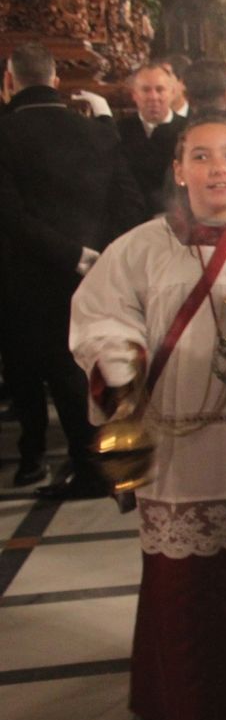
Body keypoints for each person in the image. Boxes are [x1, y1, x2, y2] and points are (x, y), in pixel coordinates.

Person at [69, 112, 226, 720]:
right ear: (178, 170)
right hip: (182, 444)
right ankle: (190, 716)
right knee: (185, 588)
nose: (217, 170)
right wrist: (119, 356)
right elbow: (99, 316)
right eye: (200, 157)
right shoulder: (140, 248)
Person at [0, 42, 142, 494]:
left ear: (9, 82)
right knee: (91, 366)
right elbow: (126, 198)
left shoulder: (4, 134)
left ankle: (38, 458)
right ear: (56, 80)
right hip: (97, 271)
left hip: (26, 275)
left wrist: (70, 254)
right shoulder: (99, 132)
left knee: (31, 370)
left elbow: (10, 216)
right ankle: (111, 463)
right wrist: (100, 254)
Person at [119, 62, 186, 215]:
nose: (153, 97)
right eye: (146, 90)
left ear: (172, 92)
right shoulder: (119, 131)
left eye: (160, 89)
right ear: (134, 95)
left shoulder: (190, 130)